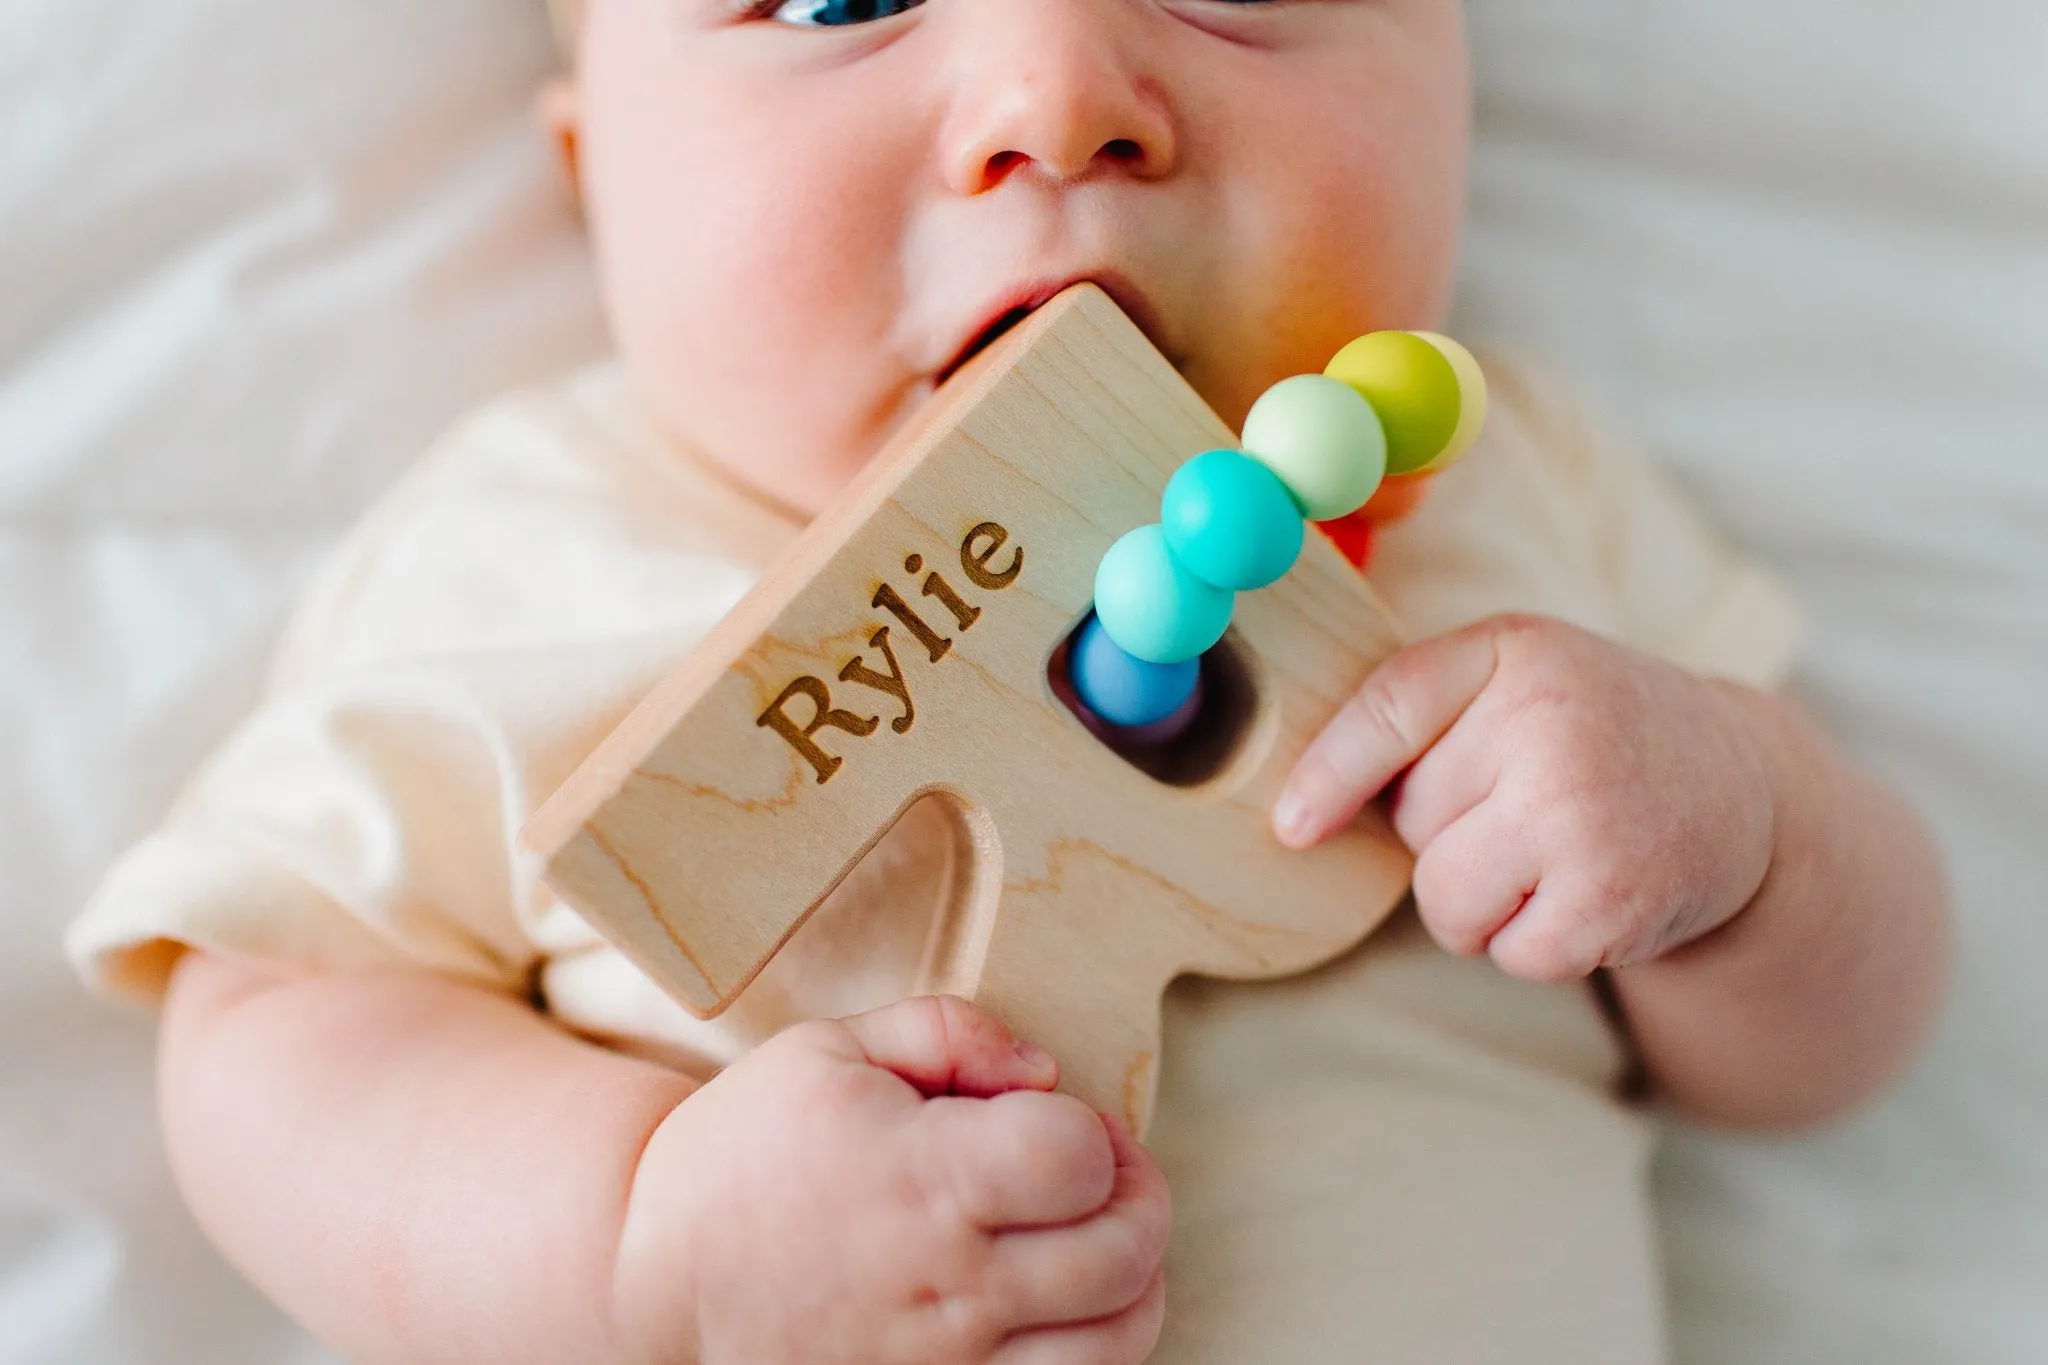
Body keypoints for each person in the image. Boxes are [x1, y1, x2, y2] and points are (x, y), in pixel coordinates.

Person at [70, 0, 1950, 1359]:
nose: (1056, 95)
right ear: (593, 175)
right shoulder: (538, 546)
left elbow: (1833, 1052)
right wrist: (647, 1237)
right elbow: (266, 1035)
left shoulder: (1509, 495)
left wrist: (1747, 840)